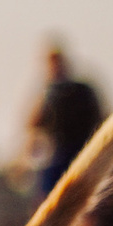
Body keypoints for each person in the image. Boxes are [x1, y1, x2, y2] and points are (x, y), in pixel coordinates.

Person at [25, 39, 104, 201]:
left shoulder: (78, 90)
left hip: (79, 150)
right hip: (58, 153)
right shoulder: (49, 92)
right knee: (49, 197)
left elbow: (100, 117)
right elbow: (32, 124)